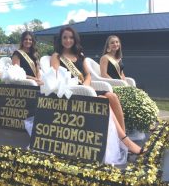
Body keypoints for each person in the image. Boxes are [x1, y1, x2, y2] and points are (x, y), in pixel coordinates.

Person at [50, 26, 145, 155]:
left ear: (75, 39)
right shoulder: (56, 56)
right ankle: (126, 141)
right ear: (60, 40)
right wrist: (82, 88)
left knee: (112, 96)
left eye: (71, 37)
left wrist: (86, 85)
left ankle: (121, 138)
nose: (68, 40)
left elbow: (88, 74)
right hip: (70, 92)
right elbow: (56, 78)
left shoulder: (80, 55)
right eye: (65, 37)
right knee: (103, 100)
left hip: (85, 88)